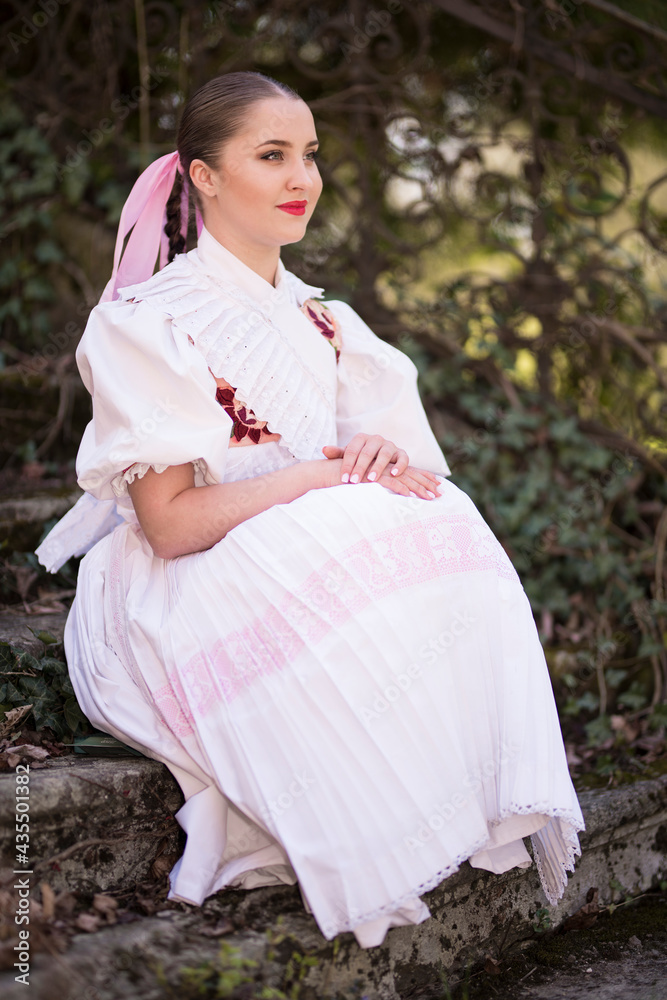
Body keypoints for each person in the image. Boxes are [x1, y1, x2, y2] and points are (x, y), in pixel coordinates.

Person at [37, 70, 585, 949]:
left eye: (311, 156)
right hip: (187, 576)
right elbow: (171, 525)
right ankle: (363, 830)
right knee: (339, 522)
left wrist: (376, 458)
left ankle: (452, 801)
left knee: (442, 514)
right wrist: (317, 480)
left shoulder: (327, 320)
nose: (303, 179)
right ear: (203, 175)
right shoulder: (148, 321)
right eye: (272, 155)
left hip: (308, 539)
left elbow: (379, 462)